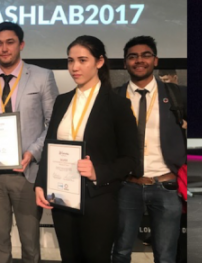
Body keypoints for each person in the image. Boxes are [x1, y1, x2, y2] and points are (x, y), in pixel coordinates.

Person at [35, 35, 140, 262]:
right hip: (62, 197)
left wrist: (97, 172)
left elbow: (132, 159)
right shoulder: (62, 101)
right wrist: (41, 183)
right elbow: (49, 146)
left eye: (82, 60)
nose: (74, 67)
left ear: (99, 62)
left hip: (98, 199)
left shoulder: (117, 104)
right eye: (70, 61)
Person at [0, 22, 57, 263]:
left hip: (27, 171)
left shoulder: (42, 76)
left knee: (30, 242)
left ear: (21, 44)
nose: (4, 48)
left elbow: (53, 123)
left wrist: (32, 152)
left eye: (10, 42)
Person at [113, 36, 187, 263]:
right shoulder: (113, 97)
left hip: (166, 186)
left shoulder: (177, 94)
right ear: (125, 63)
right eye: (132, 56)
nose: (139, 60)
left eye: (145, 55)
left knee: (165, 256)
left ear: (155, 60)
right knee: (121, 252)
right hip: (126, 186)